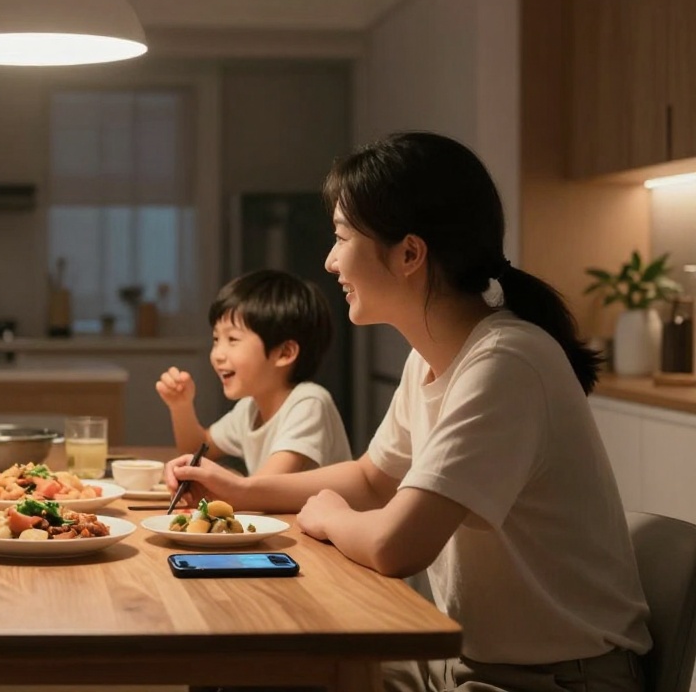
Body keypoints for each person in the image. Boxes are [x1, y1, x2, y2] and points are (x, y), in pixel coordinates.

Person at [166, 132, 651, 692]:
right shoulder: (429, 360)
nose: (329, 261)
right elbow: (373, 477)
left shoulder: (506, 362)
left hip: (557, 678)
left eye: (341, 238)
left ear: (409, 254)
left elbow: (396, 546)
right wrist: (240, 490)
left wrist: (328, 515)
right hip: (467, 662)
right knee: (252, 669)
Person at [155, 269, 350, 477]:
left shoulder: (309, 403)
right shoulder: (249, 408)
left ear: (284, 353)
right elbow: (198, 449)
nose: (217, 354)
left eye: (233, 340)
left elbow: (266, 488)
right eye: (216, 339)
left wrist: (220, 480)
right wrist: (181, 406)